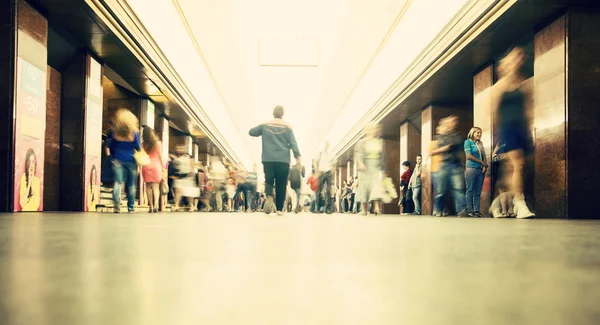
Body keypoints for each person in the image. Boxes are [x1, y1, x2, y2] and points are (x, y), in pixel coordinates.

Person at [492, 46, 535, 219]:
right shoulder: (499, 86)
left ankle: (499, 203)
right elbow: (494, 112)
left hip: (522, 129)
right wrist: (498, 139)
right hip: (507, 128)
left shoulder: (524, 83)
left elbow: (529, 109)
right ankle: (520, 203)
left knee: (514, 170)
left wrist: (530, 129)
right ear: (506, 63)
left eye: (520, 58)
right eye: (514, 58)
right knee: (519, 164)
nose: (518, 60)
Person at [249, 105, 301, 215]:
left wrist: (262, 128)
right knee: (281, 184)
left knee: (269, 181)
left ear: (273, 113)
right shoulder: (287, 127)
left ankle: (269, 196)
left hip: (268, 158)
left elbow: (251, 132)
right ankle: (279, 209)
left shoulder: (265, 124)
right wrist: (298, 157)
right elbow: (293, 143)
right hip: (283, 160)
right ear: (282, 114)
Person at [430, 116, 468, 217]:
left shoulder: (457, 136)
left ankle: (462, 210)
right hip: (444, 164)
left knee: (459, 188)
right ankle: (437, 210)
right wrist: (447, 147)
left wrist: (449, 146)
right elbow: (442, 145)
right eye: (450, 122)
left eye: (454, 122)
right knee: (441, 190)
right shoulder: (440, 136)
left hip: (456, 165)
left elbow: (459, 144)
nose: (453, 124)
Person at [106, 109, 141, 213]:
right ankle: (130, 207)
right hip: (131, 160)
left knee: (118, 182)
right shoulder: (134, 133)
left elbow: (111, 146)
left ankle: (116, 205)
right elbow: (138, 147)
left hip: (118, 160)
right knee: (131, 184)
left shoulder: (115, 132)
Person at [354, 123, 385, 216]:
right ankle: (364, 209)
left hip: (376, 167)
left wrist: (383, 170)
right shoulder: (361, 142)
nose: (373, 131)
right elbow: (358, 155)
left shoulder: (379, 141)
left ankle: (376, 208)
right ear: (366, 131)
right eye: (371, 129)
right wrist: (360, 163)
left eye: (374, 129)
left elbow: (383, 157)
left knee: (376, 186)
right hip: (365, 167)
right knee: (364, 188)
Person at [464, 127, 487, 218]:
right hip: (471, 169)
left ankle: (477, 210)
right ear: (472, 133)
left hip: (480, 170)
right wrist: (481, 162)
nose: (479, 134)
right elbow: (469, 156)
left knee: (477, 191)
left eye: (480, 133)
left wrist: (484, 165)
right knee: (470, 190)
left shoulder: (480, 143)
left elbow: (484, 155)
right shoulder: (468, 142)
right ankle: (470, 210)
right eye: (477, 132)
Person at [141, 127, 164, 213]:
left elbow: (142, 154)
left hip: (146, 165)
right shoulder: (158, 143)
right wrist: (163, 167)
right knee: (155, 187)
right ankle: (156, 204)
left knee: (148, 187)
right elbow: (160, 155)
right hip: (156, 166)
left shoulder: (143, 144)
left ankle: (150, 206)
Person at [314, 141, 334, 214]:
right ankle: (317, 208)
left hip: (328, 172)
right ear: (323, 145)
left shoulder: (330, 154)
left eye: (328, 144)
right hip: (321, 172)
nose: (327, 145)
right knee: (319, 190)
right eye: (325, 144)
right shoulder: (320, 152)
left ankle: (328, 208)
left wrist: (332, 171)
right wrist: (317, 171)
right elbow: (315, 162)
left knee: (328, 190)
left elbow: (333, 163)